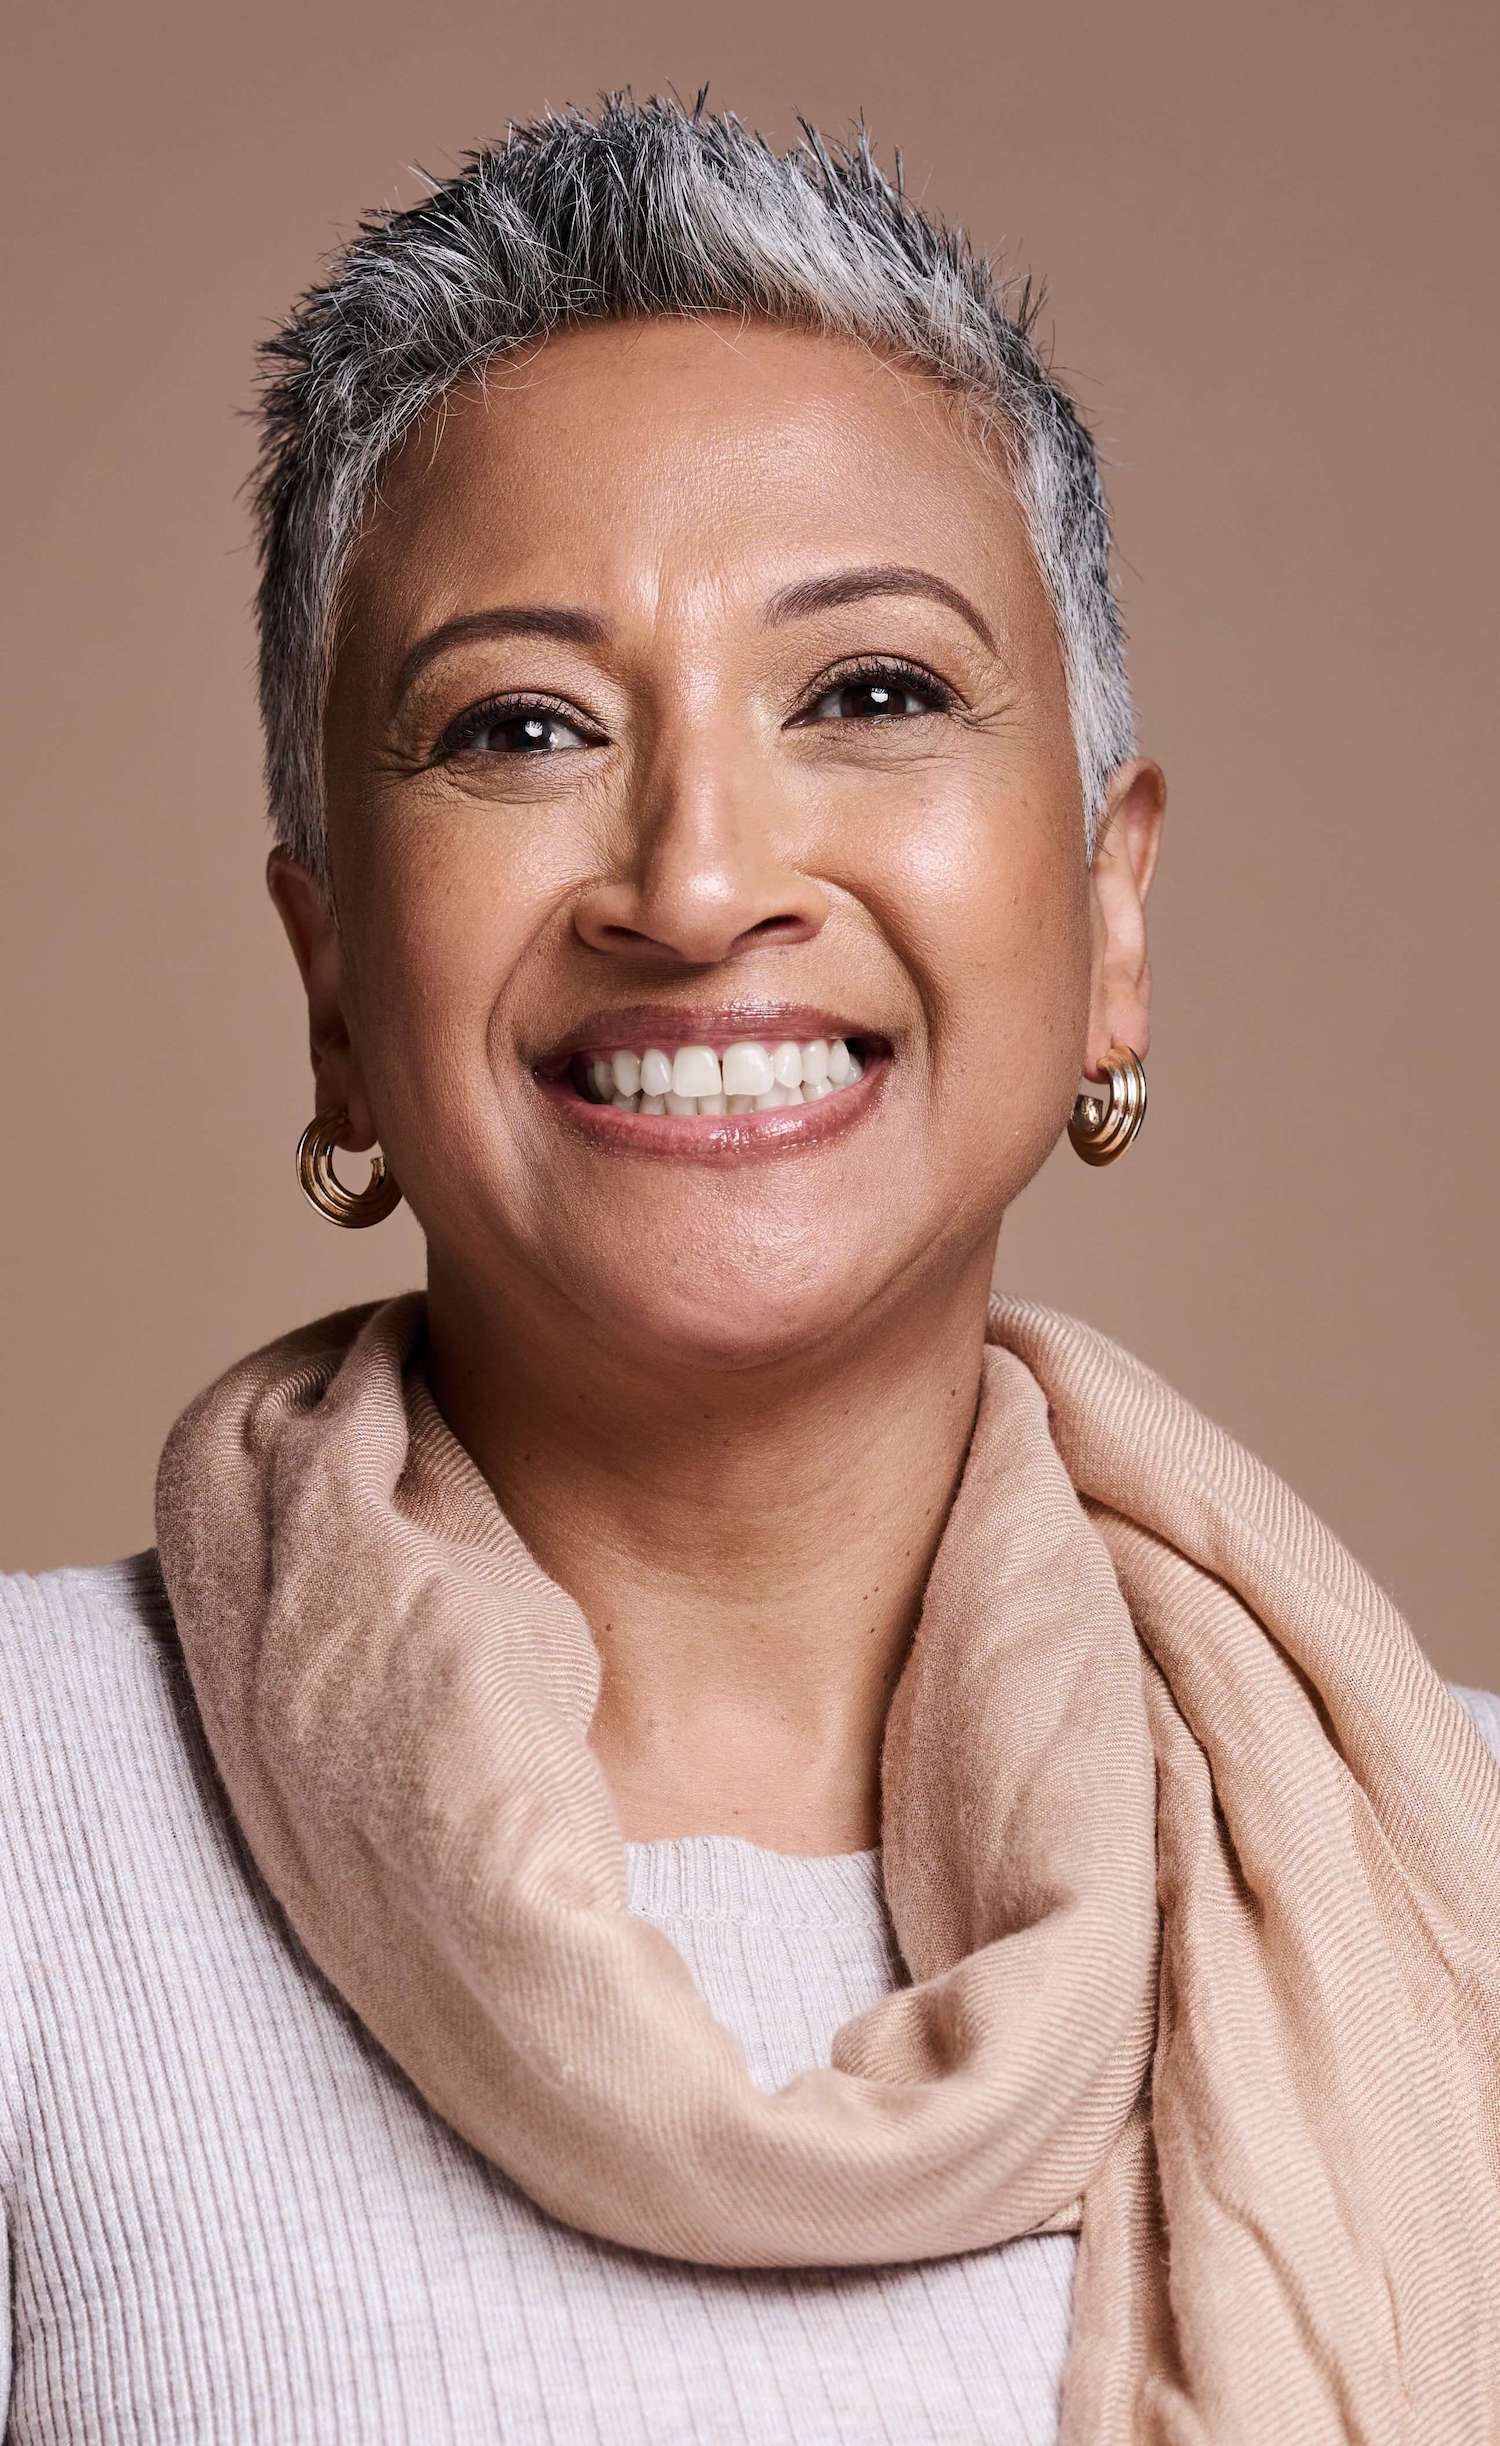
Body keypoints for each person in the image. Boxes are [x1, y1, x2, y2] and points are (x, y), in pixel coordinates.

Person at [3, 93, 1497, 2446]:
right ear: (331, 987)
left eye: (870, 692)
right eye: (520, 725)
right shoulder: (30, 1824)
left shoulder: (1451, 1883)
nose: (696, 882)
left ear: (1113, 918)